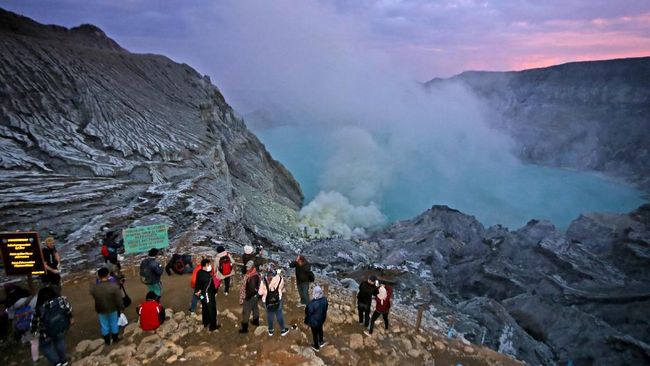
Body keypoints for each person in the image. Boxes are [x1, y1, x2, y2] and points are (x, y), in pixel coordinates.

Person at [30, 287, 73, 366]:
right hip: (59, 327)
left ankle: (57, 363)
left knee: (46, 347)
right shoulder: (61, 300)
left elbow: (34, 325)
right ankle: (64, 360)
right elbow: (69, 309)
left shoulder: (38, 310)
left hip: (45, 333)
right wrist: (70, 318)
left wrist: (33, 334)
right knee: (59, 342)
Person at [90, 267, 124, 345]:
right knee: (114, 323)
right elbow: (119, 299)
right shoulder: (113, 287)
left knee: (104, 325)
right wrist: (121, 307)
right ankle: (115, 339)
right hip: (112, 308)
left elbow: (92, 293)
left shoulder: (95, 288)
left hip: (100, 308)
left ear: (98, 276)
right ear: (108, 275)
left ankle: (107, 341)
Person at [258, 264, 289, 336]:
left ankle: (271, 331)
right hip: (278, 299)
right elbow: (281, 287)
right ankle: (283, 330)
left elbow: (260, 292)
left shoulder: (263, 280)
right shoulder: (280, 278)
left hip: (266, 301)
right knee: (279, 314)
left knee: (269, 315)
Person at [194, 259, 220, 331]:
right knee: (212, 310)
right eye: (208, 265)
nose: (210, 266)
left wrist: (197, 290)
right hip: (207, 295)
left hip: (202, 296)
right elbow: (208, 288)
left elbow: (197, 282)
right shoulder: (207, 277)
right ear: (204, 266)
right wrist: (215, 291)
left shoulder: (199, 272)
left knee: (205, 308)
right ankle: (213, 327)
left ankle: (205, 322)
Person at [238, 260, 261, 333]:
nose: (247, 268)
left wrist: (246, 298)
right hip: (256, 295)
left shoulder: (252, 277)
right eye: (247, 266)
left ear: (252, 267)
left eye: (249, 267)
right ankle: (256, 321)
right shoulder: (254, 274)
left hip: (250, 296)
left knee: (246, 311)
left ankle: (244, 328)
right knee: (255, 308)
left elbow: (251, 289)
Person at [304, 285, 328, 352]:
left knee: (314, 333)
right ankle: (321, 341)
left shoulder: (311, 304)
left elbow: (308, 313)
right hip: (321, 319)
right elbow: (325, 309)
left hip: (314, 321)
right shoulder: (325, 300)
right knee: (320, 330)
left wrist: (306, 321)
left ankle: (316, 346)